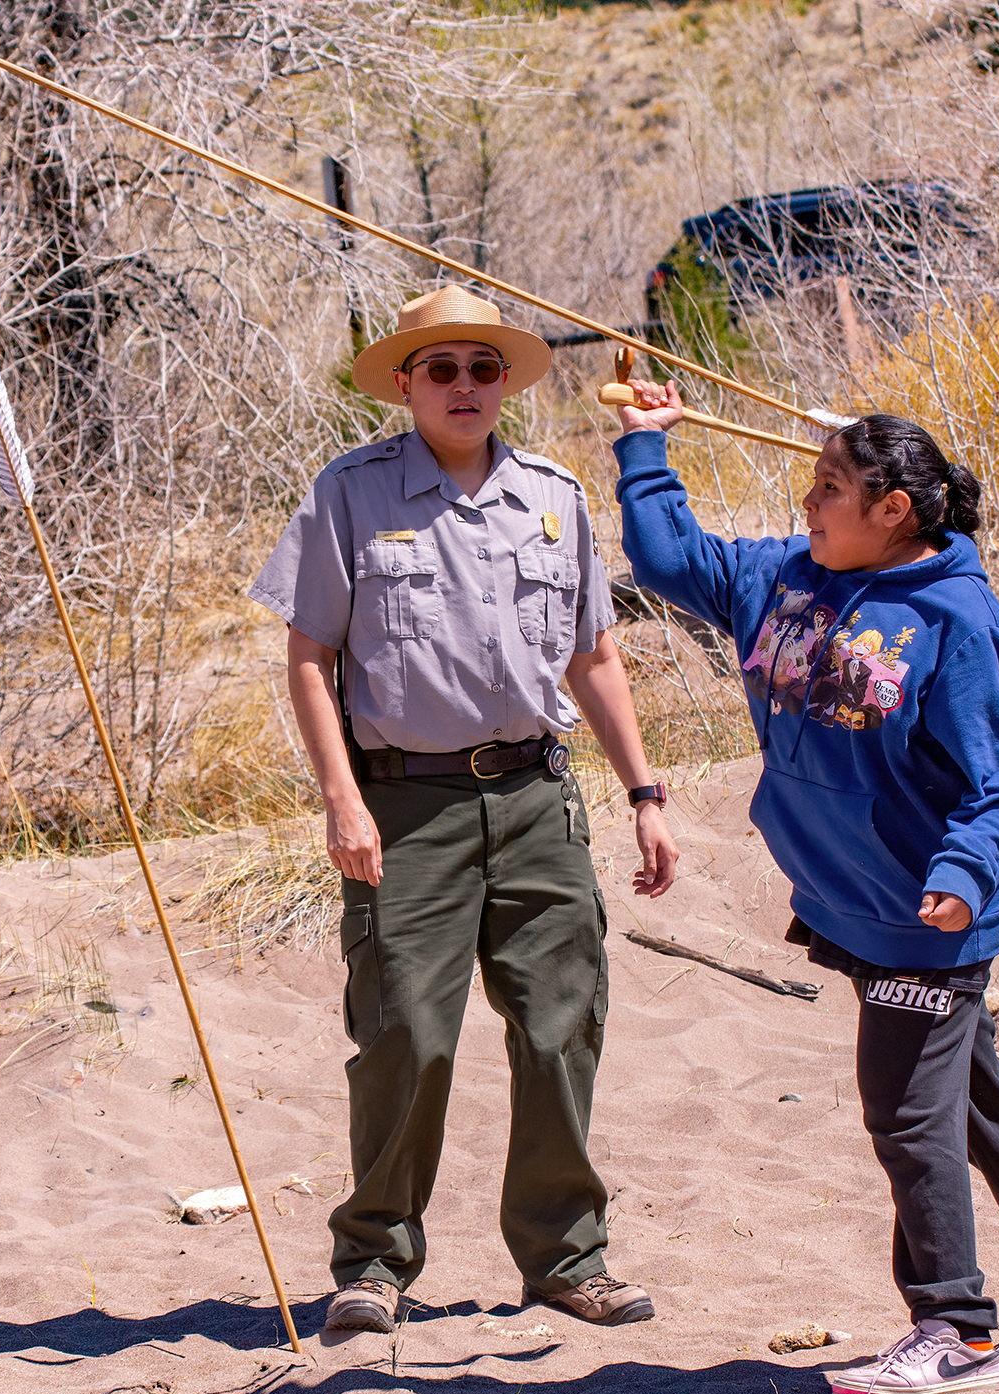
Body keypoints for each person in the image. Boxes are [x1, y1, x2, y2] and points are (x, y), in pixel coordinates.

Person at [609, 383, 999, 1394]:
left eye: (830, 489)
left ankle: (954, 1328)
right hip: (852, 896)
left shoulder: (962, 622)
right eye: (814, 484)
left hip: (933, 903)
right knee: (953, 1086)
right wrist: (644, 449)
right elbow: (666, 557)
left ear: (894, 511)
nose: (809, 503)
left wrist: (959, 877)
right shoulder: (785, 575)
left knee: (906, 1110)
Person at [251, 285, 681, 1335]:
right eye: (441, 368)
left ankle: (565, 1257)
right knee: (407, 1036)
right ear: (404, 381)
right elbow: (308, 658)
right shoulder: (350, 495)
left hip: (537, 797)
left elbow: (594, 655)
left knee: (559, 1028)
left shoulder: (553, 497)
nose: (464, 387)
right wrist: (341, 801)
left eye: (483, 369)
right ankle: (374, 1262)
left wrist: (644, 792)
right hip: (406, 808)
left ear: (506, 383)